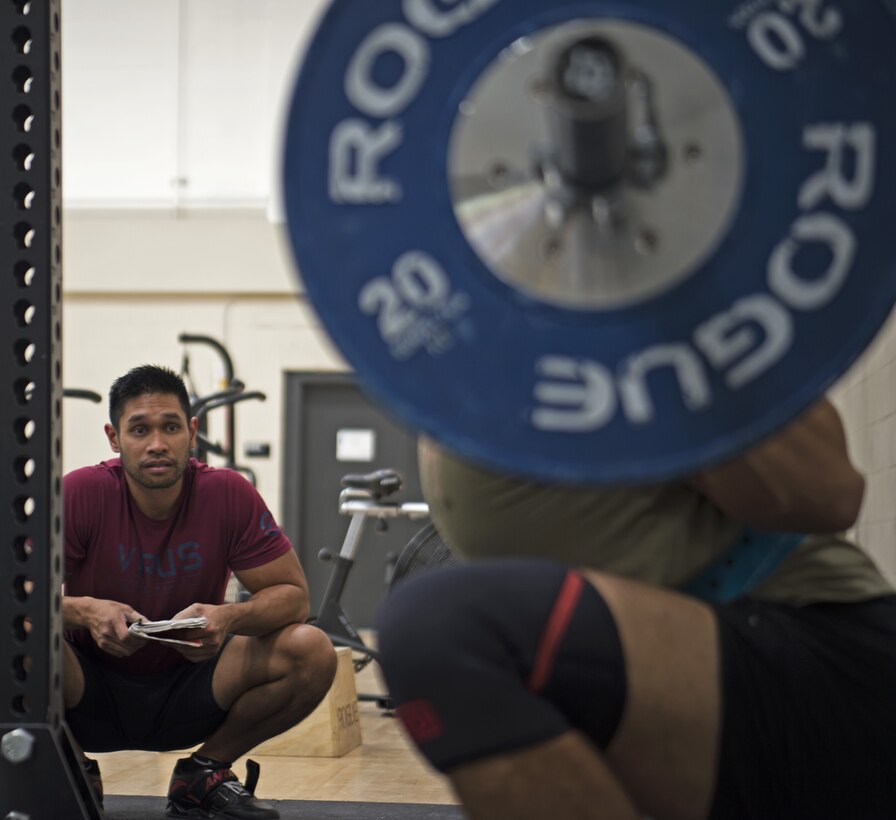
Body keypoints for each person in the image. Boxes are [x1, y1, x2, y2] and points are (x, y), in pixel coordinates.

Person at [376, 397, 896, 819]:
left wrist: (656, 343)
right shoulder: (498, 346)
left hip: (815, 652)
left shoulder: (640, 337)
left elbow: (832, 492)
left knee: (443, 629)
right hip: (677, 673)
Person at [62, 365, 337, 820]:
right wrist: (85, 611)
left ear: (191, 431)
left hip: (192, 685)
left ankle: (204, 773)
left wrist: (227, 618)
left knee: (311, 650)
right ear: (114, 437)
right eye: (140, 429)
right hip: (86, 691)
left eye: (170, 427)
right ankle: (68, 769)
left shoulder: (227, 493)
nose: (157, 443)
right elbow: (18, 598)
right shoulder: (82, 492)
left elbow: (293, 597)